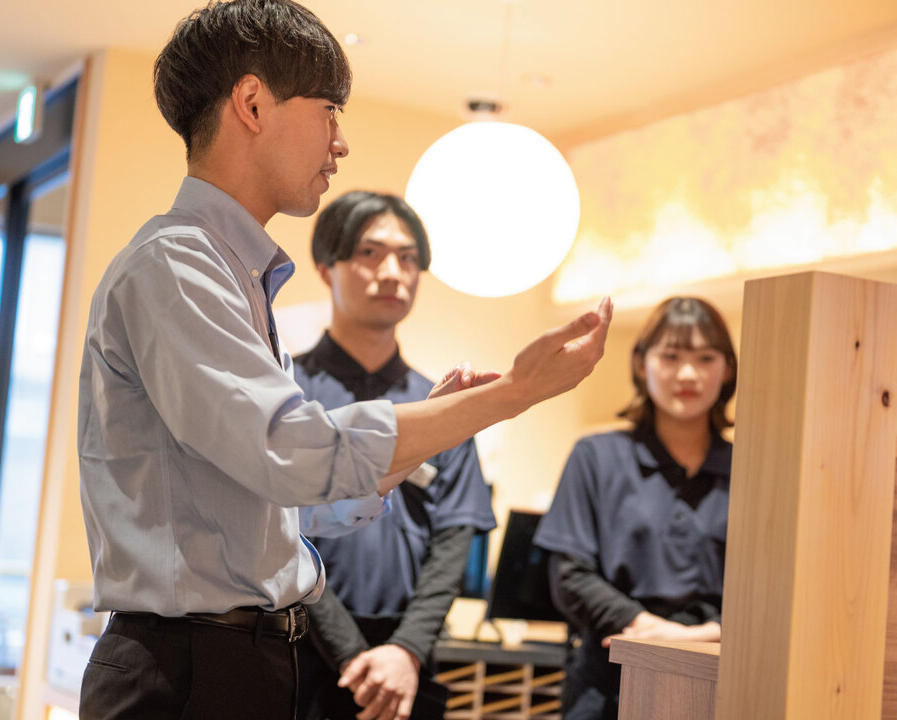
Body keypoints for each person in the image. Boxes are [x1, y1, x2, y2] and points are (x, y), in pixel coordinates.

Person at [75, 1, 612, 718]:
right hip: (193, 667)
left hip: (242, 660)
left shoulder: (234, 274)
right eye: (330, 111)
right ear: (253, 103)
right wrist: (510, 393)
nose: (341, 144)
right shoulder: (177, 263)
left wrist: (437, 420)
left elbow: (283, 505)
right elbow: (291, 452)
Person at [290, 190, 497, 720]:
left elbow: (454, 542)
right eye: (370, 253)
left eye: (408, 259)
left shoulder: (445, 405)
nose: (393, 272)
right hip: (299, 651)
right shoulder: (288, 394)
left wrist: (405, 652)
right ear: (325, 266)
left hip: (410, 667)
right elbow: (280, 534)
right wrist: (354, 657)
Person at [533, 296, 736, 720]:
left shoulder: (753, 471)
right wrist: (645, 628)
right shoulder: (596, 456)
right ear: (641, 364)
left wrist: (710, 634)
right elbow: (569, 575)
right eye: (671, 356)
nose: (687, 373)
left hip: (725, 679)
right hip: (609, 682)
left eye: (705, 357)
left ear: (728, 369)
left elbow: (774, 585)